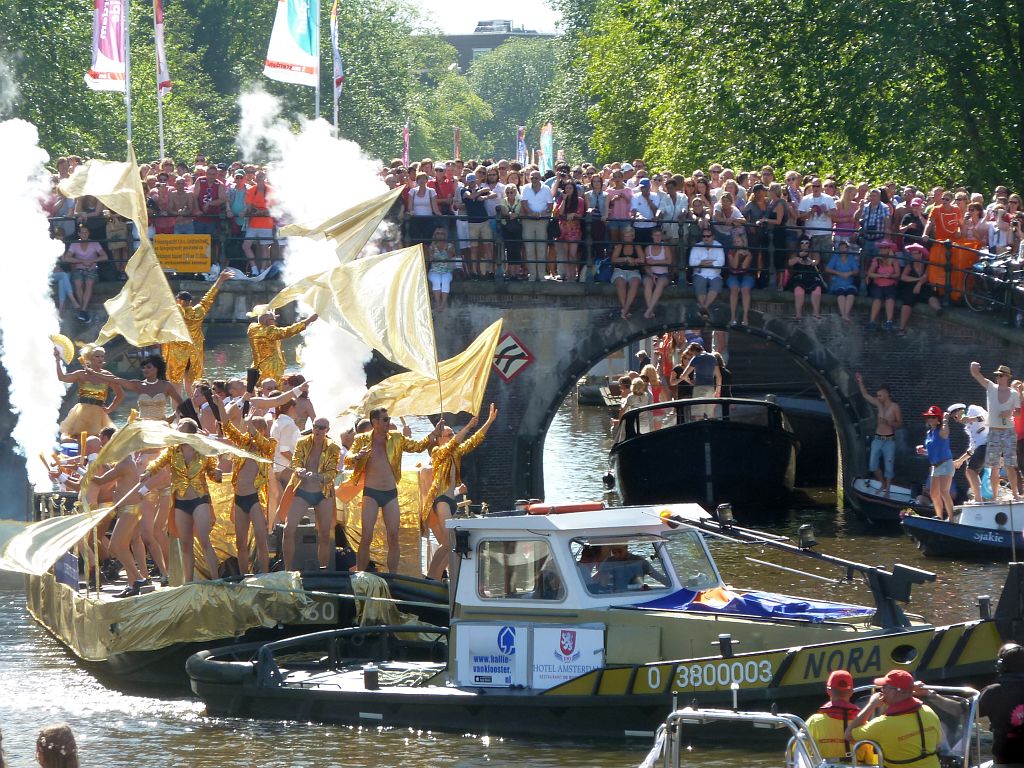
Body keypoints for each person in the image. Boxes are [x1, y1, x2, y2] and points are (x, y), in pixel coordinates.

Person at [346, 408, 444, 573]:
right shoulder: (361, 439)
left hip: (390, 493)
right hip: (371, 492)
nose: (389, 422)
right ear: (375, 422)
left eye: (389, 418)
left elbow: (417, 447)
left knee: (393, 537)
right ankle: (361, 574)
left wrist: (433, 433)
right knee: (366, 537)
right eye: (385, 419)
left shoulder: (396, 438)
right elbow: (348, 459)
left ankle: (393, 577)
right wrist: (357, 457)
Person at [140, 418, 223, 583]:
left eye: (180, 428)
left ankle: (216, 580)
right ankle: (189, 582)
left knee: (204, 540)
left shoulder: (204, 450)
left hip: (200, 499)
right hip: (181, 501)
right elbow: (158, 463)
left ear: (189, 433)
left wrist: (217, 474)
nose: (176, 430)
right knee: (185, 544)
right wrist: (148, 473)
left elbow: (213, 473)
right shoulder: (173, 450)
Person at [422, 404, 497, 580]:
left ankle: (438, 576)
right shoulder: (436, 452)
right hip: (441, 500)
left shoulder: (455, 453)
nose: (452, 437)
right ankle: (432, 577)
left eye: (452, 434)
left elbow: (474, 441)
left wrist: (489, 421)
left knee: (450, 543)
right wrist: (469, 426)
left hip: (451, 500)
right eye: (448, 435)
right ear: (439, 440)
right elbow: (454, 444)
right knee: (448, 541)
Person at [845, 669, 942, 768]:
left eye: (884, 687)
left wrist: (871, 705)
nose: (881, 690)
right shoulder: (928, 712)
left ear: (894, 693)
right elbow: (937, 743)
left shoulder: (882, 725)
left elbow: (848, 734)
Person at [285, 418, 342, 570]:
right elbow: (296, 461)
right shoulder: (302, 442)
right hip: (303, 490)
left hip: (323, 493)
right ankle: (287, 571)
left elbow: (332, 471)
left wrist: (320, 477)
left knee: (324, 534)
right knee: (288, 529)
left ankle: (323, 571)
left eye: (322, 428)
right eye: (315, 427)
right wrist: (299, 470)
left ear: (327, 430)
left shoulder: (334, 447)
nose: (318, 430)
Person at [223, 416, 276, 574]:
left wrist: (249, 422)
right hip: (240, 498)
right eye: (250, 428)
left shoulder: (268, 446)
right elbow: (228, 427)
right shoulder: (243, 444)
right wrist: (218, 404)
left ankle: (265, 574)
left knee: (261, 541)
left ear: (263, 431)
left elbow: (261, 440)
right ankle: (243, 576)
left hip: (256, 498)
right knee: (241, 543)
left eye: (256, 428)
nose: (251, 432)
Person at [161, 268, 234, 384]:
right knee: (192, 383)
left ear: (178, 301)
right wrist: (220, 279)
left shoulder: (175, 313)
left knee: (175, 383)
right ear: (190, 302)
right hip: (194, 352)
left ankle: (177, 403)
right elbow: (209, 297)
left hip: (177, 352)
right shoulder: (198, 312)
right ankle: (193, 402)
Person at [971, 362, 1022, 502]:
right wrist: (974, 368)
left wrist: (1009, 412)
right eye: (997, 375)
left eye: (1000, 375)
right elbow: (977, 375)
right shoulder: (991, 388)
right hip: (994, 431)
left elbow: (1018, 412)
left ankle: (1015, 494)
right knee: (994, 466)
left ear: (1007, 377)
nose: (998, 377)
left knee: (1010, 465)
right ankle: (994, 496)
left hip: (1008, 432)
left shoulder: (1014, 393)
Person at [805, 670, 877, 763]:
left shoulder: (813, 722)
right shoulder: (863, 724)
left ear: (828, 691)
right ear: (851, 692)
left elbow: (797, 752)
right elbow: (870, 760)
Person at [54, 344, 124, 438]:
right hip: (81, 413)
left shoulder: (107, 375)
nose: (100, 359)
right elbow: (62, 377)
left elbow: (120, 394)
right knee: (77, 438)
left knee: (97, 439)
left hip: (98, 414)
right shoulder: (82, 374)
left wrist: (109, 409)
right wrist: (58, 360)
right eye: (97, 356)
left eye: (102, 356)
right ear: (90, 358)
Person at [855, 374, 903, 497]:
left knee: (889, 466)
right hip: (877, 439)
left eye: (880, 395)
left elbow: (900, 423)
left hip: (889, 441)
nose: (878, 397)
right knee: (872, 464)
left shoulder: (894, 407)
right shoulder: (878, 404)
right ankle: (882, 483)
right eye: (878, 396)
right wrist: (860, 381)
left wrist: (888, 422)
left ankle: (887, 490)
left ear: (887, 394)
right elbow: (865, 395)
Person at [979, 643, 1024, 766]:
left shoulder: (995, 691)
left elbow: (964, 711)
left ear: (1001, 666)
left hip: (1005, 761)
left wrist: (933, 696)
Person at [247, 310, 319, 383]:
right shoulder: (269, 331)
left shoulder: (253, 329)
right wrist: (308, 321)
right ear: (266, 321)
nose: (275, 322)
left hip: (258, 366)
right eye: (273, 320)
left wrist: (271, 317)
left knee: (259, 385)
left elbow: (263, 321)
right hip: (271, 367)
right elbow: (287, 331)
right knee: (273, 385)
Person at [62, 223, 107, 321]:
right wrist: (81, 261)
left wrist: (93, 261)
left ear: (89, 233)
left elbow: (105, 256)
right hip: (78, 269)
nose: (84, 234)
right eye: (82, 233)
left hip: (91, 269)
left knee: (89, 283)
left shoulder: (95, 244)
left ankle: (82, 309)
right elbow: (67, 258)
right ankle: (83, 310)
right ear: (79, 234)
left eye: (86, 232)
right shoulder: (74, 244)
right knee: (78, 283)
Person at [917, 406, 955, 520]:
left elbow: (946, 432)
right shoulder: (929, 432)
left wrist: (945, 420)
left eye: (933, 417)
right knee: (934, 494)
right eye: (929, 417)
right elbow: (932, 452)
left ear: (938, 419)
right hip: (935, 467)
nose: (930, 419)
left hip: (945, 464)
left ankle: (952, 518)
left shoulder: (941, 430)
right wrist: (923, 451)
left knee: (944, 492)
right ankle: (939, 517)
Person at [948, 403, 989, 503]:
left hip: (988, 444)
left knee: (971, 471)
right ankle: (980, 497)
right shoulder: (968, 428)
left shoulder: (973, 409)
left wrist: (970, 419)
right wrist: (960, 460)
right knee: (969, 472)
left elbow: (986, 417)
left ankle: (978, 499)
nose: (956, 419)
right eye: (953, 418)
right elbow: (972, 448)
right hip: (981, 448)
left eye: (955, 416)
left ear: (960, 411)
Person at [595, 542, 668, 591]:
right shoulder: (608, 562)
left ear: (626, 547)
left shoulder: (639, 561)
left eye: (620, 551)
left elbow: (658, 577)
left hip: (637, 594)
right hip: (615, 595)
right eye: (614, 552)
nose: (617, 555)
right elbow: (602, 584)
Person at [610, 226, 645, 319]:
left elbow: (642, 259)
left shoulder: (636, 246)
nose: (627, 238)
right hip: (620, 270)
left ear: (633, 236)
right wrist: (625, 259)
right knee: (621, 282)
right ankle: (626, 309)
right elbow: (613, 259)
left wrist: (634, 260)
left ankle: (625, 310)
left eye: (629, 236)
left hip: (633, 271)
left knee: (635, 283)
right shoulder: (620, 245)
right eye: (625, 236)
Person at [787, 236, 825, 320]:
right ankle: (798, 314)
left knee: (817, 289)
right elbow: (790, 263)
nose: (804, 245)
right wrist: (798, 257)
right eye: (802, 243)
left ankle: (816, 312)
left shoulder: (814, 252)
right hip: (799, 277)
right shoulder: (795, 253)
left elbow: (816, 261)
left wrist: (811, 261)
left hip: (811, 276)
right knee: (798, 290)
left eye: (807, 243)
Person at [689, 227, 725, 317]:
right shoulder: (697, 246)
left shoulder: (719, 246)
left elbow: (721, 262)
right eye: (704, 236)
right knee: (699, 284)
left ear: (713, 237)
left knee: (716, 285)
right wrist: (709, 262)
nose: (706, 238)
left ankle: (703, 307)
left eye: (708, 236)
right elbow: (691, 262)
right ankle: (705, 309)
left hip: (715, 274)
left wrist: (701, 263)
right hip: (700, 274)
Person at [681, 343, 721, 419]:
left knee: (698, 414)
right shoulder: (713, 357)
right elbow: (719, 376)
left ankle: (700, 430)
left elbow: (683, 375)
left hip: (699, 388)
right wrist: (718, 391)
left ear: (693, 351)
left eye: (691, 353)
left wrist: (690, 382)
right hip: (711, 388)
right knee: (710, 414)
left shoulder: (696, 358)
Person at [825, 242, 860, 322]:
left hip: (849, 282)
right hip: (837, 282)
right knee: (841, 293)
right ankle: (843, 314)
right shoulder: (835, 257)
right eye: (841, 247)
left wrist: (849, 273)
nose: (843, 249)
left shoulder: (851, 258)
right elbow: (827, 268)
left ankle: (846, 314)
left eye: (845, 247)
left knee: (850, 293)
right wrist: (838, 273)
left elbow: (856, 270)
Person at [642, 226, 672, 318]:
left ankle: (649, 310)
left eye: (659, 235)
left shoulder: (665, 247)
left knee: (660, 283)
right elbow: (646, 265)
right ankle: (650, 310)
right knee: (648, 283)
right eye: (656, 235)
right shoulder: (647, 249)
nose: (658, 238)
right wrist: (651, 275)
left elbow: (669, 261)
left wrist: (655, 262)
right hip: (651, 274)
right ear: (652, 236)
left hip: (664, 274)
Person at [426, 226, 455, 311]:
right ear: (435, 235)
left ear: (445, 235)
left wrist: (446, 249)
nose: (440, 235)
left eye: (442, 233)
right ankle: (438, 303)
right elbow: (430, 260)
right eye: (437, 233)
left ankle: (443, 304)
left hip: (447, 270)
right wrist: (431, 251)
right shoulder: (431, 246)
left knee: (445, 280)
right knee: (437, 280)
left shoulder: (450, 245)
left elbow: (450, 257)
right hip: (434, 270)